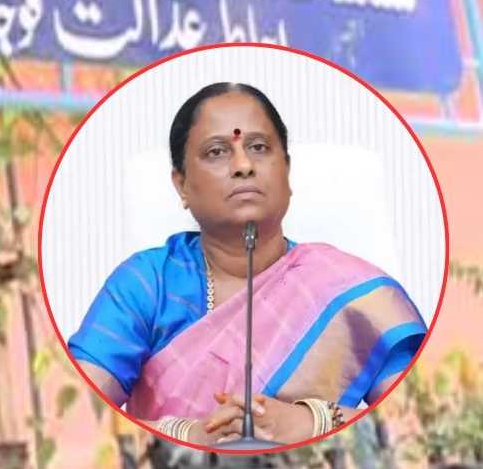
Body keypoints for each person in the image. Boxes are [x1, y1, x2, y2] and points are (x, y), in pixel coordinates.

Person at [67, 82, 428, 448]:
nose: (243, 166)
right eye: (217, 152)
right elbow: (74, 422)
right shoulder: (147, 284)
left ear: (286, 170)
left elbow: (422, 432)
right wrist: (187, 435)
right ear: (182, 185)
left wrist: (312, 421)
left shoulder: (354, 293)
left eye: (258, 148)